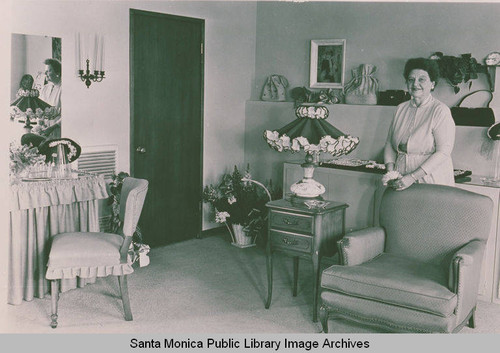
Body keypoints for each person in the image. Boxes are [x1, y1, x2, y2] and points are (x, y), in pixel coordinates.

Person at [384, 57, 455, 190]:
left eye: (422, 79)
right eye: (411, 80)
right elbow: (389, 144)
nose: (415, 84)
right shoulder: (400, 109)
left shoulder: (440, 110)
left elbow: (443, 152)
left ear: (432, 84)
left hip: (431, 178)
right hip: (401, 177)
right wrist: (390, 172)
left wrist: (412, 177)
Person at [38, 58, 61, 138]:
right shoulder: (45, 88)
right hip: (44, 129)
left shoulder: (63, 89)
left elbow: (67, 115)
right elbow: (39, 108)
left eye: (49, 71)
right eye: (45, 71)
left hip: (58, 130)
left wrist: (52, 128)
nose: (45, 73)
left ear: (57, 72)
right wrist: (40, 121)